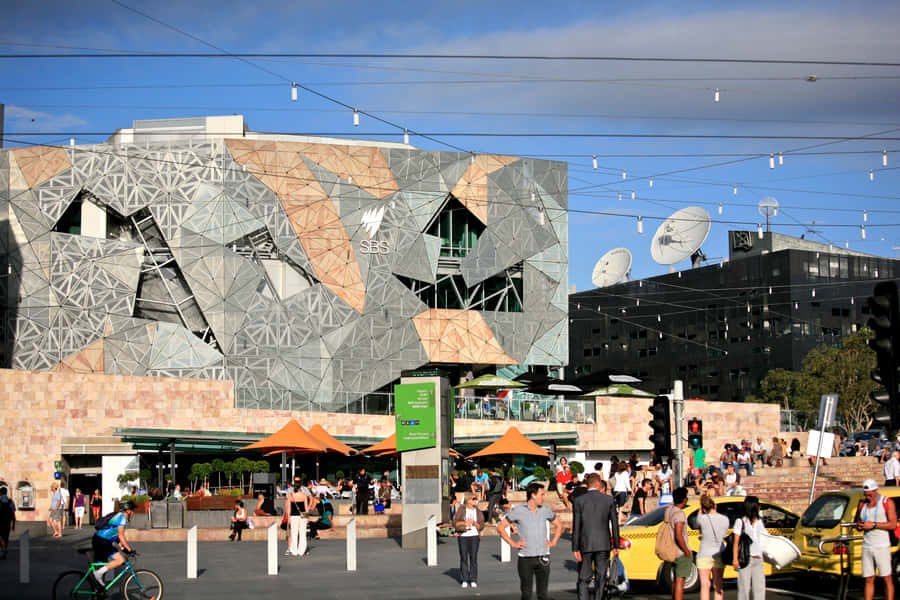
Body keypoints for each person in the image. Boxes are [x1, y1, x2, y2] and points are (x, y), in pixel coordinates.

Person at [498, 482, 563, 600]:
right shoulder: (519, 511)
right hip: (526, 559)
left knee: (543, 594)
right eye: (542, 494)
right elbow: (501, 527)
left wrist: (554, 542)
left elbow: (559, 525)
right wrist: (513, 543)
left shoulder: (545, 510)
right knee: (526, 594)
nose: (544, 497)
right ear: (533, 495)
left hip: (543, 557)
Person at [572, 473, 620, 600]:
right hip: (603, 543)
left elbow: (576, 526)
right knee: (601, 577)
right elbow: (615, 524)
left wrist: (575, 547)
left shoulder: (579, 501)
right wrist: (616, 544)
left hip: (585, 543)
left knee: (583, 578)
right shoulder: (609, 500)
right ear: (599, 484)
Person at [855, 479, 897, 600]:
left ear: (876, 490)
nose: (868, 497)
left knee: (886, 577)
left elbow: (893, 524)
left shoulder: (886, 502)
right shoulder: (862, 504)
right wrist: (860, 526)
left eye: (870, 494)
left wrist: (873, 525)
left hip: (882, 545)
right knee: (868, 578)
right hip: (867, 545)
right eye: (866, 494)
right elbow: (858, 521)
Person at [91, 500, 136, 585]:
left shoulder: (119, 516)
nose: (133, 513)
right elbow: (121, 536)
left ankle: (98, 589)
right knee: (120, 560)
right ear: (128, 511)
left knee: (103, 565)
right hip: (102, 541)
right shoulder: (122, 518)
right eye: (133, 510)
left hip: (100, 540)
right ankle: (98, 574)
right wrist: (130, 550)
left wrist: (124, 549)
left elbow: (117, 538)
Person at [732, 495, 768, 600]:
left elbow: (764, 536)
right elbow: (736, 542)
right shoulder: (741, 521)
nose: (760, 507)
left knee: (760, 588)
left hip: (758, 557)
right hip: (745, 558)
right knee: (744, 588)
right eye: (758, 505)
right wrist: (735, 559)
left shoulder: (759, 521)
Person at [697, 495, 728, 600]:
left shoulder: (701, 518)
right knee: (718, 584)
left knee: (705, 585)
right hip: (719, 552)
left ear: (703, 508)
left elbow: (698, 528)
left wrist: (700, 511)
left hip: (704, 553)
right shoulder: (725, 519)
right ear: (714, 505)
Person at [453, 493, 484, 588]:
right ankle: (464, 579)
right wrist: (465, 522)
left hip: (474, 536)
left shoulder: (478, 511)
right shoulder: (462, 509)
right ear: (468, 500)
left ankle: (473, 579)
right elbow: (455, 522)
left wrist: (474, 522)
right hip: (463, 536)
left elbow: (481, 526)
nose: (476, 500)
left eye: (476, 498)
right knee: (463, 557)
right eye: (474, 498)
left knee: (473, 558)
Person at [667, 488, 692, 600]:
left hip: (671, 549)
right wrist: (686, 550)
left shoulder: (669, 510)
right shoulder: (680, 514)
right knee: (680, 581)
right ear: (684, 499)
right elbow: (678, 534)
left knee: (675, 580)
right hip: (680, 551)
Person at [284, 477, 309, 556]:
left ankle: (294, 550)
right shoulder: (303, 495)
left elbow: (288, 508)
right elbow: (306, 508)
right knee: (302, 533)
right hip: (302, 516)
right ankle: (301, 550)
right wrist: (307, 517)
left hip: (293, 516)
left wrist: (288, 518)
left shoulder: (290, 495)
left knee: (293, 533)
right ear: (300, 486)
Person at [0, 486, 16, 559]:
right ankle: (4, 551)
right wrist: (13, 524)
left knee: (0, 536)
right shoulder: (10, 501)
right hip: (8, 521)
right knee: (6, 537)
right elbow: (13, 513)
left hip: (0, 521)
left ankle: (3, 549)